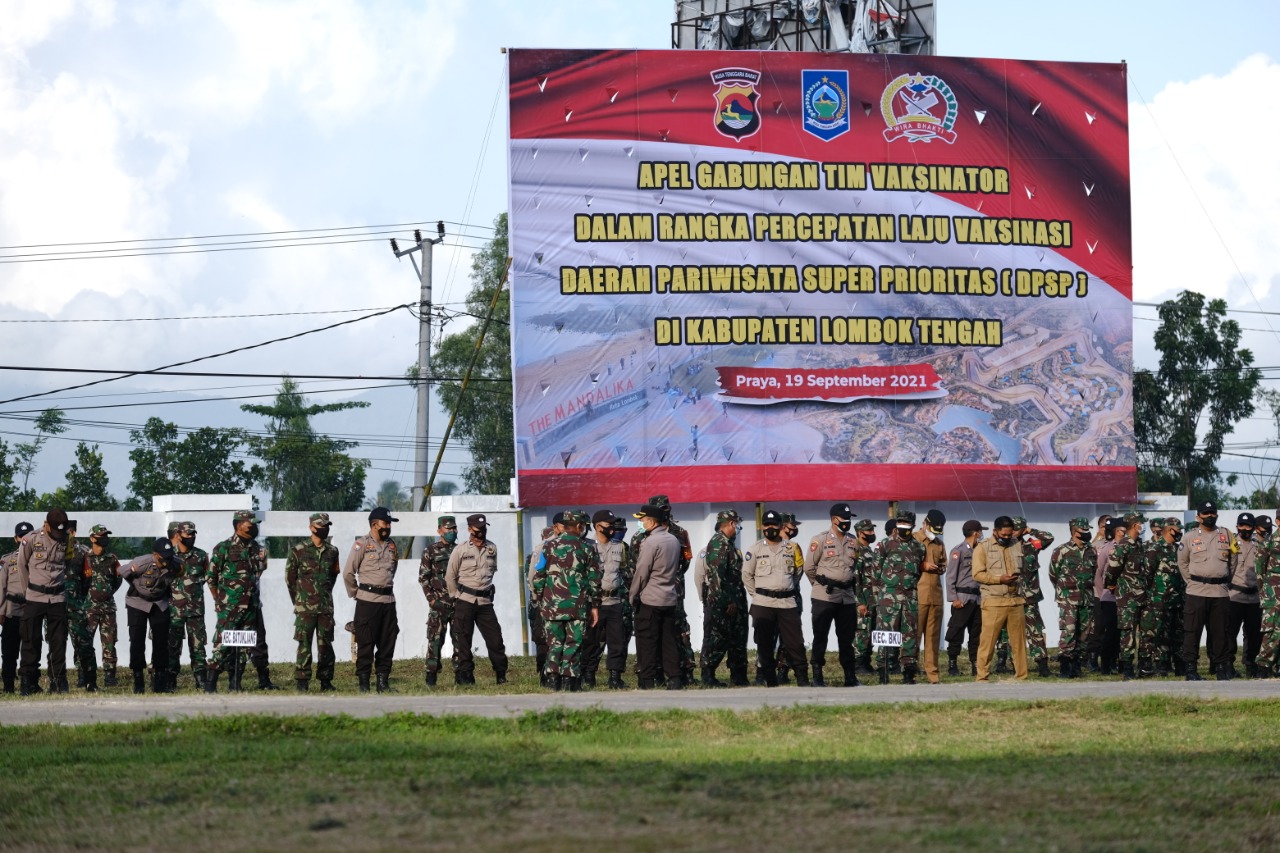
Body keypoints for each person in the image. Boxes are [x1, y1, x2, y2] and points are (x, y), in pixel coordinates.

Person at [530, 509, 601, 691]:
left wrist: (540, 598)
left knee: (554, 644)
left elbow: (538, 576)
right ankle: (570, 681)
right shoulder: (587, 548)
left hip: (551, 606)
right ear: (579, 526)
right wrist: (594, 606)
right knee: (573, 644)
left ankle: (553, 680)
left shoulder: (548, 546)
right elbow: (594, 580)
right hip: (577, 608)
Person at [630, 495, 696, 685]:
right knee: (668, 638)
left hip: (651, 596)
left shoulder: (664, 537)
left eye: (643, 520)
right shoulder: (671, 539)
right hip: (669, 594)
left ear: (651, 520)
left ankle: (649, 678)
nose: (641, 523)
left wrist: (633, 595)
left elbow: (641, 570)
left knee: (650, 638)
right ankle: (673, 677)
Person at [744, 510, 809, 687]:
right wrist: (758, 595)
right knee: (764, 644)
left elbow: (797, 573)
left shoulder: (791, 548)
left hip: (787, 603)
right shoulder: (754, 549)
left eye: (774, 524)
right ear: (762, 526)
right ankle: (770, 680)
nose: (770, 528)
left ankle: (802, 678)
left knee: (795, 642)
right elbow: (747, 576)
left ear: (780, 526)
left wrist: (784, 588)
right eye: (767, 524)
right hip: (763, 603)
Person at [205, 510, 268, 693]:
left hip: (250, 605)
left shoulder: (258, 549)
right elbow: (211, 578)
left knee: (244, 645)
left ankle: (235, 683)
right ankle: (211, 683)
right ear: (239, 524)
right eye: (251, 523)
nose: (254, 527)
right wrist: (220, 601)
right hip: (229, 607)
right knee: (223, 644)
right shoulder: (223, 547)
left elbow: (257, 574)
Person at [344, 506, 402, 693]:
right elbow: (348, 573)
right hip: (367, 602)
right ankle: (364, 684)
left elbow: (393, 569)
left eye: (390, 524)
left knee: (387, 642)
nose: (389, 527)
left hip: (388, 601)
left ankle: (383, 683)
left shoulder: (391, 545)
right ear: (374, 524)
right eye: (386, 523)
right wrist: (357, 594)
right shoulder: (361, 545)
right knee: (366, 643)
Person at [446, 513, 508, 686]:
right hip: (465, 600)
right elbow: (450, 576)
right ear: (469, 529)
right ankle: (466, 675)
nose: (481, 531)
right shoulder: (460, 550)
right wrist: (455, 597)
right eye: (477, 529)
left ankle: (501, 673)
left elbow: (492, 570)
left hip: (485, 602)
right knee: (464, 640)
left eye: (483, 528)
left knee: (495, 639)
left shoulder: (492, 548)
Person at [15, 509, 72, 695]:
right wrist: (26, 594)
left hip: (57, 598)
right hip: (34, 596)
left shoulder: (66, 538)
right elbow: (21, 565)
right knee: (31, 640)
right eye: (54, 531)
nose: (58, 536)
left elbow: (68, 564)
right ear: (46, 524)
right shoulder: (30, 539)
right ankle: (28, 682)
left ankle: (58, 682)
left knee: (58, 642)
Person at [1177, 500, 1235, 680]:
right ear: (1198, 517)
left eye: (1213, 513)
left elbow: (1234, 562)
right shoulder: (1188, 537)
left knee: (1220, 633)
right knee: (1192, 632)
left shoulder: (1228, 535)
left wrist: (1223, 580)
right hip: (1196, 592)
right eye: (1206, 513)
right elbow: (1182, 562)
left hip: (1220, 592)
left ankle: (1220, 669)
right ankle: (1190, 670)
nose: (1210, 516)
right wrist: (1193, 582)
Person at [804, 503, 861, 687]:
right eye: (844, 519)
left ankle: (850, 676)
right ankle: (817, 676)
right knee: (821, 636)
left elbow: (855, 568)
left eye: (849, 519)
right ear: (834, 520)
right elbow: (809, 567)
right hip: (824, 596)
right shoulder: (820, 540)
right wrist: (820, 585)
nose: (847, 523)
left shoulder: (853, 541)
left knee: (847, 639)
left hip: (847, 596)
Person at [286, 512, 340, 692]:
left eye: (327, 526)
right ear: (311, 527)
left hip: (325, 607)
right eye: (320, 526)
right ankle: (302, 682)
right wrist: (300, 600)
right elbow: (290, 579)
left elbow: (333, 576)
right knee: (304, 645)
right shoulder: (299, 550)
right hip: (304, 608)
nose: (324, 529)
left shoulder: (333, 551)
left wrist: (324, 595)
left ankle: (326, 681)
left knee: (325, 645)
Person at [696, 509, 748, 687]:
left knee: (737, 639)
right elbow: (718, 576)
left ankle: (739, 676)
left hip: (735, 598)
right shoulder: (719, 543)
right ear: (732, 523)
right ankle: (708, 676)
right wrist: (729, 601)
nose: (738, 527)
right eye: (737, 523)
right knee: (717, 639)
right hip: (722, 602)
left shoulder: (729, 543)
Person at [972, 516, 1028, 680]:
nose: (1006, 538)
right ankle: (982, 677)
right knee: (987, 642)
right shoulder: (983, 548)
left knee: (1019, 644)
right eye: (1003, 535)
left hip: (1015, 600)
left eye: (1009, 535)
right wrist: (999, 579)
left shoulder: (1016, 544)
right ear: (995, 531)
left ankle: (1022, 677)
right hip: (994, 601)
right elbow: (977, 574)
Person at [582, 509, 631, 689]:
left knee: (617, 641)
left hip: (615, 601)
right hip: (595, 602)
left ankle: (615, 677)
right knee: (592, 640)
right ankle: (588, 674)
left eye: (612, 524)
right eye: (607, 524)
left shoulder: (620, 546)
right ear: (597, 526)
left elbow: (625, 570)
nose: (611, 527)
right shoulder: (588, 546)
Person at [120, 537, 176, 694]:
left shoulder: (175, 563)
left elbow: (180, 571)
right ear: (155, 555)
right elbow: (122, 571)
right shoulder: (143, 562)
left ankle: (160, 681)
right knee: (137, 640)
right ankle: (138, 681)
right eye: (163, 557)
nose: (166, 560)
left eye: (169, 556)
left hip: (159, 602)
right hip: (137, 602)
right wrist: (136, 583)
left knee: (161, 641)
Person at [874, 512, 924, 684]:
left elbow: (918, 573)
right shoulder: (885, 545)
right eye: (900, 522)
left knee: (909, 636)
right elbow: (876, 571)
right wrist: (879, 597)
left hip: (910, 600)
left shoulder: (919, 547)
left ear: (913, 525)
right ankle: (883, 671)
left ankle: (909, 674)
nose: (903, 525)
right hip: (888, 599)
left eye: (907, 523)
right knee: (886, 636)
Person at [1049, 517, 1095, 678]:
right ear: (1075, 532)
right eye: (1084, 531)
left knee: (1084, 634)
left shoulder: (1092, 551)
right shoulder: (1061, 551)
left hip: (1087, 598)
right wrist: (1065, 590)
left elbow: (1095, 572)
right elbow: (1053, 574)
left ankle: (1077, 665)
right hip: (1068, 599)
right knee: (1069, 632)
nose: (1088, 534)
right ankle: (1065, 666)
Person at [77, 525, 121, 691]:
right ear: (92, 538)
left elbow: (117, 580)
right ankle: (83, 674)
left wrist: (106, 593)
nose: (104, 538)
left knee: (109, 644)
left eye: (106, 535)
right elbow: (79, 581)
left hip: (108, 608)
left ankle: (110, 676)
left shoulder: (112, 559)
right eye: (101, 535)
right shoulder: (84, 558)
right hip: (89, 608)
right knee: (84, 643)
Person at [167, 521, 209, 690]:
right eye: (187, 535)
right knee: (172, 647)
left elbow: (208, 577)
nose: (191, 537)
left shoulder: (201, 556)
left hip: (195, 610)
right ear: (178, 535)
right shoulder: (169, 556)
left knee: (198, 647)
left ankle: (201, 680)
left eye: (193, 534)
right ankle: (170, 680)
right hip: (173, 610)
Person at [419, 515, 460, 687]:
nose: (452, 532)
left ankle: (461, 676)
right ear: (439, 530)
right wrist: (431, 600)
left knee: (460, 641)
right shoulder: (431, 551)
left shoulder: (461, 550)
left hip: (458, 603)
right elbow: (424, 578)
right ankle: (431, 677)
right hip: (439, 603)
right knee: (435, 641)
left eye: (454, 528)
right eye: (448, 529)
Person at [1014, 516, 1055, 678]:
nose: (1013, 532)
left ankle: (1042, 665)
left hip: (1030, 598)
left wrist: (1032, 531)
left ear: (1023, 530)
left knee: (1035, 632)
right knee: (1008, 633)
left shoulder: (1032, 545)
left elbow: (1049, 538)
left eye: (1017, 529)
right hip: (1012, 597)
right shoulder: (1004, 547)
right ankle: (1007, 663)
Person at [944, 520, 986, 677]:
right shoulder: (958, 550)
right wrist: (953, 598)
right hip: (962, 598)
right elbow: (950, 576)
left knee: (977, 633)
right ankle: (952, 665)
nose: (982, 535)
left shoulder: (981, 551)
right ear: (975, 533)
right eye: (980, 532)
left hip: (978, 599)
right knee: (956, 632)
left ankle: (976, 665)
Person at [1227, 511, 1263, 678]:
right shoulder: (1230, 544)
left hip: (1254, 598)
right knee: (1230, 633)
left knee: (1253, 635)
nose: (1244, 529)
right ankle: (1228, 666)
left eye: (1248, 526)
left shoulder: (1259, 546)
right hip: (1234, 596)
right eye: (1242, 526)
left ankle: (1251, 665)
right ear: (1237, 526)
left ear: (1253, 528)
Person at [0, 522, 34, 693]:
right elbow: (2, 586)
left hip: (31, 612)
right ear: (16, 538)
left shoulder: (38, 558)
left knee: (30, 652)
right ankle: (8, 686)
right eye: (21, 536)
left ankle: (29, 685)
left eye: (28, 536)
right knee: (9, 653)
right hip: (12, 613)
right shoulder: (7, 560)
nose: (24, 540)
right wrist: (0, 611)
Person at [913, 509, 947, 684]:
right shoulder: (913, 540)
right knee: (914, 636)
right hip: (918, 595)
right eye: (932, 530)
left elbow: (943, 563)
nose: (934, 534)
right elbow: (904, 565)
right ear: (925, 524)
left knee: (933, 639)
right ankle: (909, 672)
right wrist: (922, 566)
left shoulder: (939, 543)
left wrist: (940, 567)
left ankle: (932, 674)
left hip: (936, 596)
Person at [1090, 517, 1125, 675]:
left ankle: (1117, 662)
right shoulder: (1107, 548)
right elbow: (1098, 572)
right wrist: (1104, 591)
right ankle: (1105, 663)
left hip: (1126, 598)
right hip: (1109, 597)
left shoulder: (1131, 547)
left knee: (1121, 632)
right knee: (1108, 632)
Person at [526, 526, 554, 684]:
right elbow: (531, 577)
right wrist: (536, 598)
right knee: (541, 637)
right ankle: (542, 667)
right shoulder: (536, 553)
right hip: (539, 601)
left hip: (548, 600)